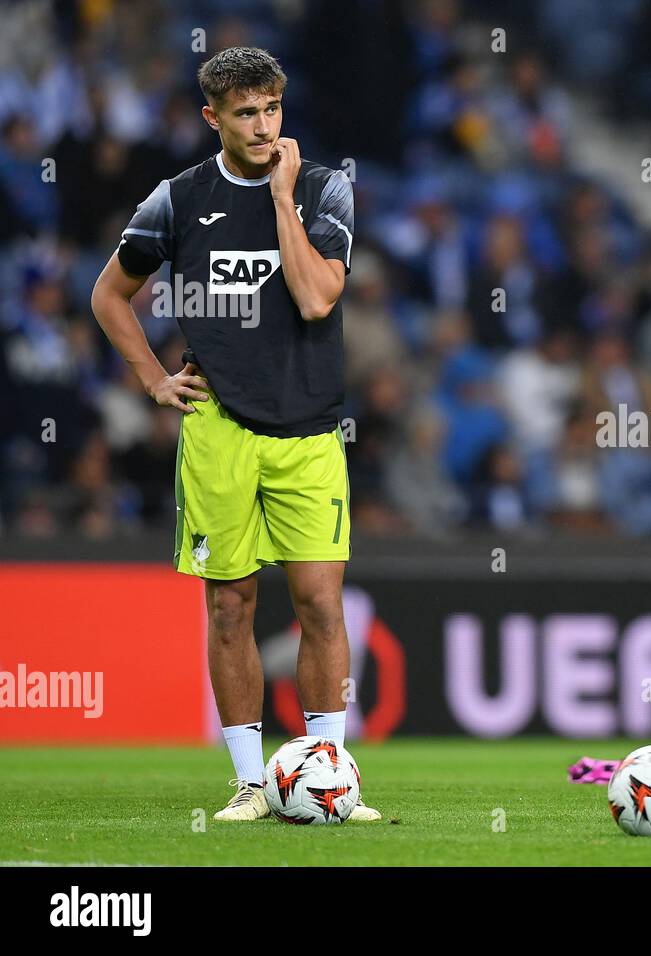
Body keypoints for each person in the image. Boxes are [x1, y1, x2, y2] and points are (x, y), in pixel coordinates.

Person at [89, 47, 379, 822]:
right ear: (212, 116)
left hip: (311, 427)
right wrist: (153, 378)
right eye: (246, 112)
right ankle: (252, 783)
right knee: (231, 606)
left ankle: (332, 781)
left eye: (273, 109)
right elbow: (110, 296)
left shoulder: (323, 187)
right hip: (219, 426)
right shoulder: (177, 200)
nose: (263, 125)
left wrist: (281, 198)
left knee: (321, 604)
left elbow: (318, 299)